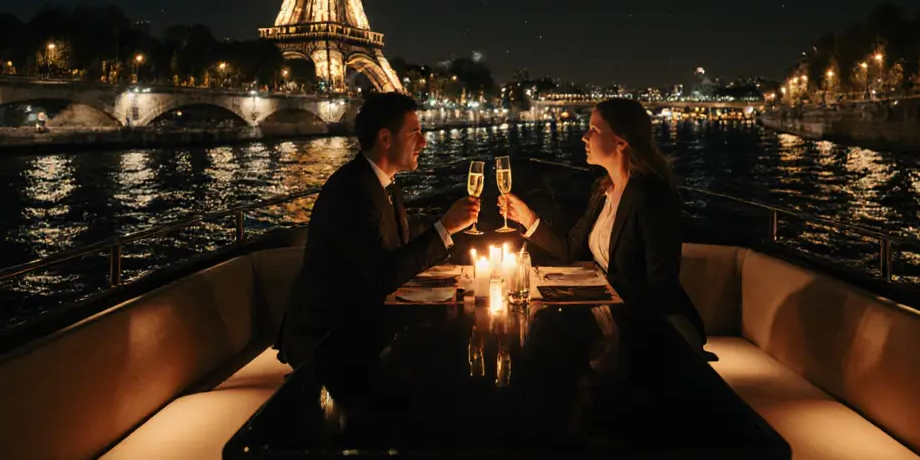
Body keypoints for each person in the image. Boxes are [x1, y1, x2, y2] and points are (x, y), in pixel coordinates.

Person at [276, 92, 479, 368]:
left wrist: (445, 226)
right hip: (328, 338)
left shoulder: (378, 182)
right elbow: (382, 274)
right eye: (415, 133)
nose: (424, 142)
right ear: (385, 138)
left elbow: (396, 241)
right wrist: (445, 228)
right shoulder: (352, 191)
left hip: (358, 323)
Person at [499, 98, 709, 351]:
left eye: (594, 130)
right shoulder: (603, 191)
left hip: (648, 320)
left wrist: (599, 301)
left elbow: (660, 283)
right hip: (608, 311)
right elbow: (569, 249)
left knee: (545, 336)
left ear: (621, 142)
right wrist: (528, 218)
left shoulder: (652, 196)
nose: (584, 137)